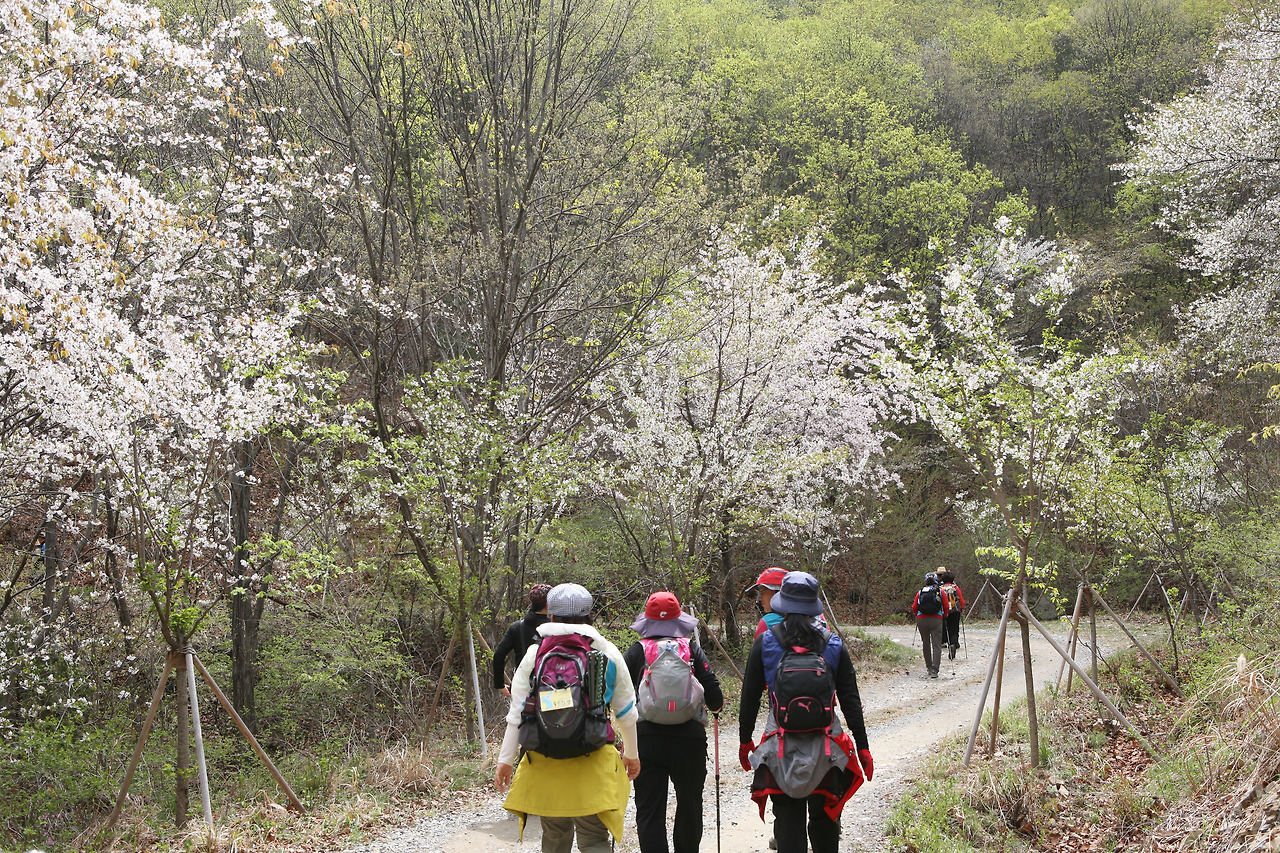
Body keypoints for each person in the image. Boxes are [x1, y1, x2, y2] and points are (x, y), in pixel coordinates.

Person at [494, 583, 642, 853]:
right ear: (590, 616)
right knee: (594, 839)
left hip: (545, 762)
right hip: (593, 759)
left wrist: (505, 760)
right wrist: (631, 754)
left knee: (554, 837)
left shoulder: (534, 655)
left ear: (550, 616)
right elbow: (626, 713)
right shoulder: (607, 653)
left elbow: (517, 714)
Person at [738, 571, 873, 853]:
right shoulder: (833, 644)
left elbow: (749, 696)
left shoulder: (766, 643)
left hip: (780, 744)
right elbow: (850, 699)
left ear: (782, 602)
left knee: (787, 822)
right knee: (825, 820)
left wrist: (745, 740)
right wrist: (862, 747)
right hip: (826, 746)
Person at [623, 591, 725, 853]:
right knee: (690, 804)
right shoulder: (690, 649)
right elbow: (714, 695)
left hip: (646, 738)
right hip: (688, 738)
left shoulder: (636, 652)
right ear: (679, 618)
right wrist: (714, 707)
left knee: (649, 808)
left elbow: (620, 695)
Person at [492, 582, 553, 696]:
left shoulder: (516, 627)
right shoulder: (555, 628)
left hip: (523, 689)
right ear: (548, 604)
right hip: (550, 689)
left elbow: (499, 655)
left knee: (522, 714)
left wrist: (500, 685)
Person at [911, 571, 951, 678]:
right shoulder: (940, 591)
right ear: (936, 580)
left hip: (921, 619)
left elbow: (914, 607)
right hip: (936, 619)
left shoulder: (920, 592)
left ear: (925, 581)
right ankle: (935, 669)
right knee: (937, 645)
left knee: (926, 643)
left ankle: (928, 667)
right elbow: (946, 606)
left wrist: (918, 615)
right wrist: (945, 615)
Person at [749, 567, 788, 640]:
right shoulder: (813, 619)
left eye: (762, 591)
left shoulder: (768, 622)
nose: (760, 599)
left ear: (777, 592)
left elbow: (758, 650)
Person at [938, 569, 966, 660]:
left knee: (945, 628)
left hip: (943, 612)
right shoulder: (955, 588)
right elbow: (961, 600)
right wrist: (961, 607)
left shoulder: (940, 588)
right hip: (955, 611)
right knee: (954, 629)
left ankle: (946, 642)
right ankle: (953, 644)